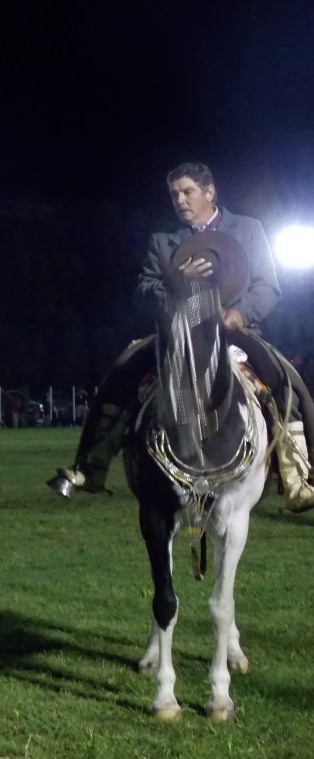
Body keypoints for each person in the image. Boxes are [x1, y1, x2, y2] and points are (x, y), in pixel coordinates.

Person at [49, 161, 314, 511]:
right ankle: (89, 465)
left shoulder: (248, 230)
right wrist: (176, 281)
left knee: (288, 382)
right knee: (122, 371)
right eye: (174, 193)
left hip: (236, 332)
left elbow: (268, 286)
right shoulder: (163, 241)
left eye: (187, 191)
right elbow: (143, 292)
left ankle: (298, 478)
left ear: (210, 192)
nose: (180, 199)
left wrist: (238, 314)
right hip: (179, 334)